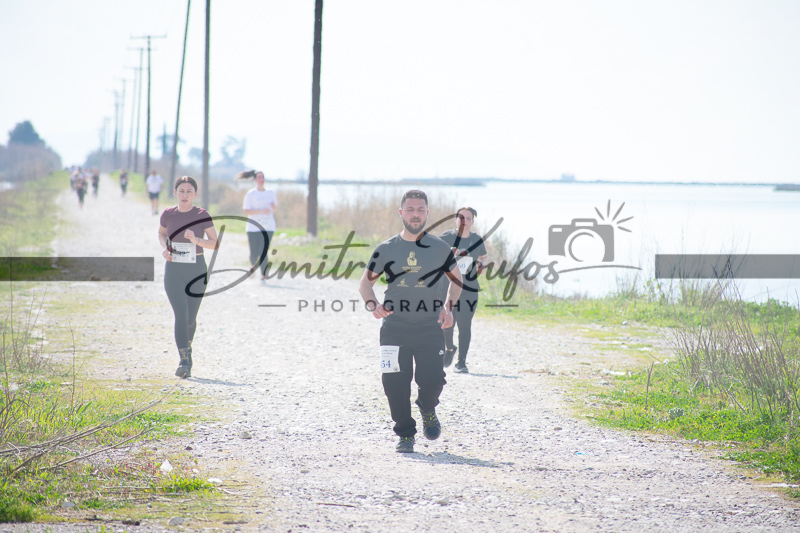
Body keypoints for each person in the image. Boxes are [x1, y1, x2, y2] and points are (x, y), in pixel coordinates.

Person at [359, 189, 462, 453]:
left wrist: (448, 308)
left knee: (434, 380)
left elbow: (457, 281)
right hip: (394, 328)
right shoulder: (387, 248)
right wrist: (373, 306)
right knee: (394, 383)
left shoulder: (439, 248)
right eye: (410, 209)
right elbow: (365, 284)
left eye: (420, 210)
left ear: (427, 213)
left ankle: (427, 407)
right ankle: (405, 434)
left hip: (430, 327)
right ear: (401, 212)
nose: (415, 214)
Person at [158, 176, 218, 378]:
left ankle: (188, 349)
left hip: (197, 271)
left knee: (191, 318)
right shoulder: (168, 214)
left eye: (189, 191)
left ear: (195, 194)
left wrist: (197, 240)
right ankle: (184, 361)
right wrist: (165, 247)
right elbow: (161, 234)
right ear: (175, 192)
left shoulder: (202, 215)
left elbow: (214, 243)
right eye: (181, 191)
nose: (185, 195)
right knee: (181, 315)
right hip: (173, 270)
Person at [439, 207, 488, 374]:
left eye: (468, 218)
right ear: (456, 219)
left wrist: (482, 265)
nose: (464, 221)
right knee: (447, 324)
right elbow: (433, 256)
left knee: (465, 325)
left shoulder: (476, 239)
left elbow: (484, 257)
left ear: (472, 222)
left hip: (469, 289)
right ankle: (450, 348)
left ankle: (461, 362)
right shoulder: (446, 237)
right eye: (461, 217)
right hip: (447, 288)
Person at [238, 170, 278, 284]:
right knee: (254, 252)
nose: (261, 179)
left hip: (268, 226)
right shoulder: (251, 194)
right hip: (253, 227)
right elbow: (246, 211)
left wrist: (272, 208)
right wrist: (261, 211)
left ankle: (263, 275)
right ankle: (252, 265)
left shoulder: (271, 193)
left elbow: (274, 208)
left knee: (263, 251)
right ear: (255, 179)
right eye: (259, 177)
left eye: (263, 177)